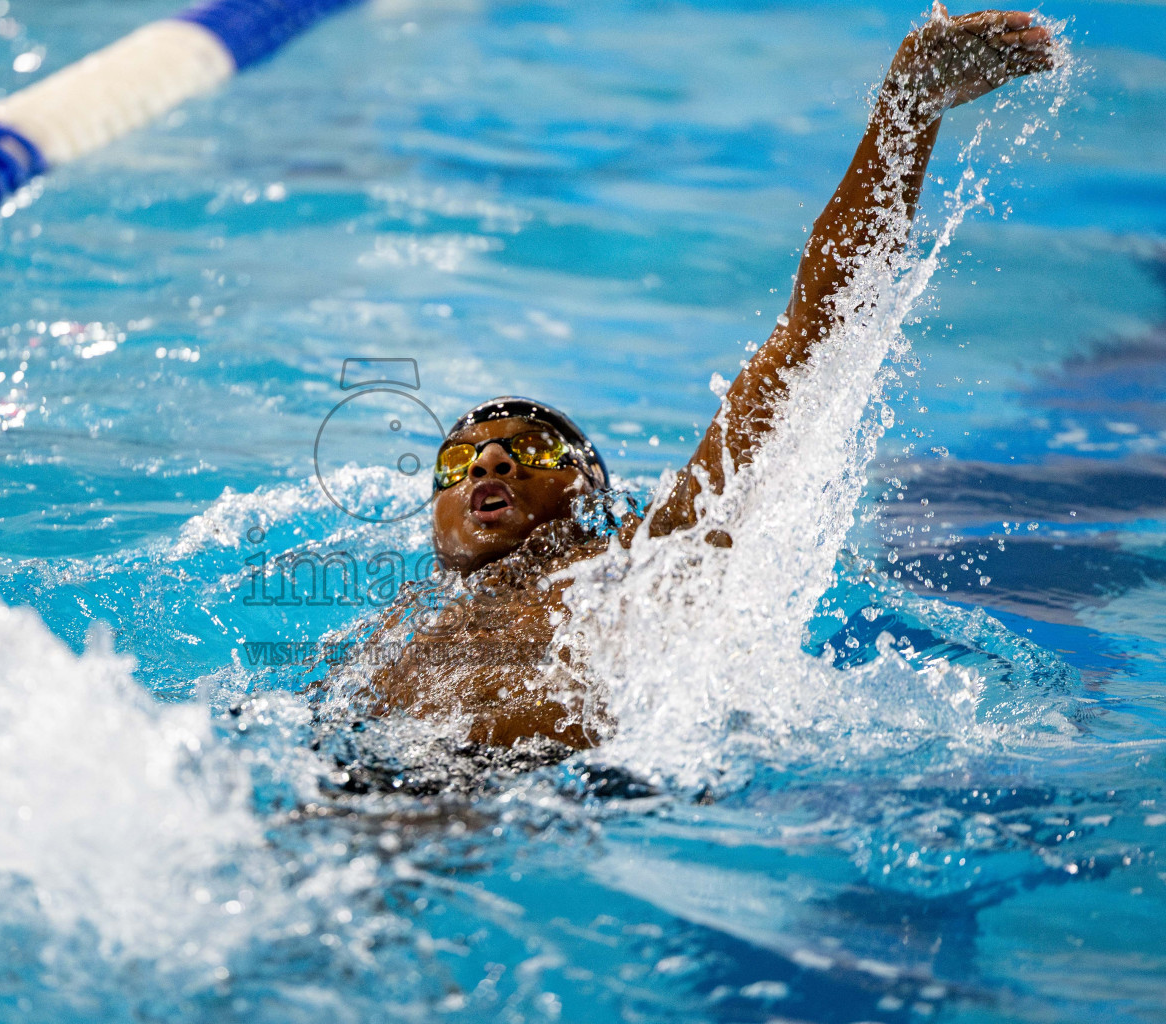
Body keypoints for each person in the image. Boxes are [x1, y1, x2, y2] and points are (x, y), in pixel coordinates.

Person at [339, 6, 1058, 755]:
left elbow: (814, 327)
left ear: (592, 494)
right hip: (376, 774)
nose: (490, 462)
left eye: (535, 451)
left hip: (553, 790)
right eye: (460, 460)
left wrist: (905, 112)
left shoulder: (637, 554)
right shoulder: (389, 632)